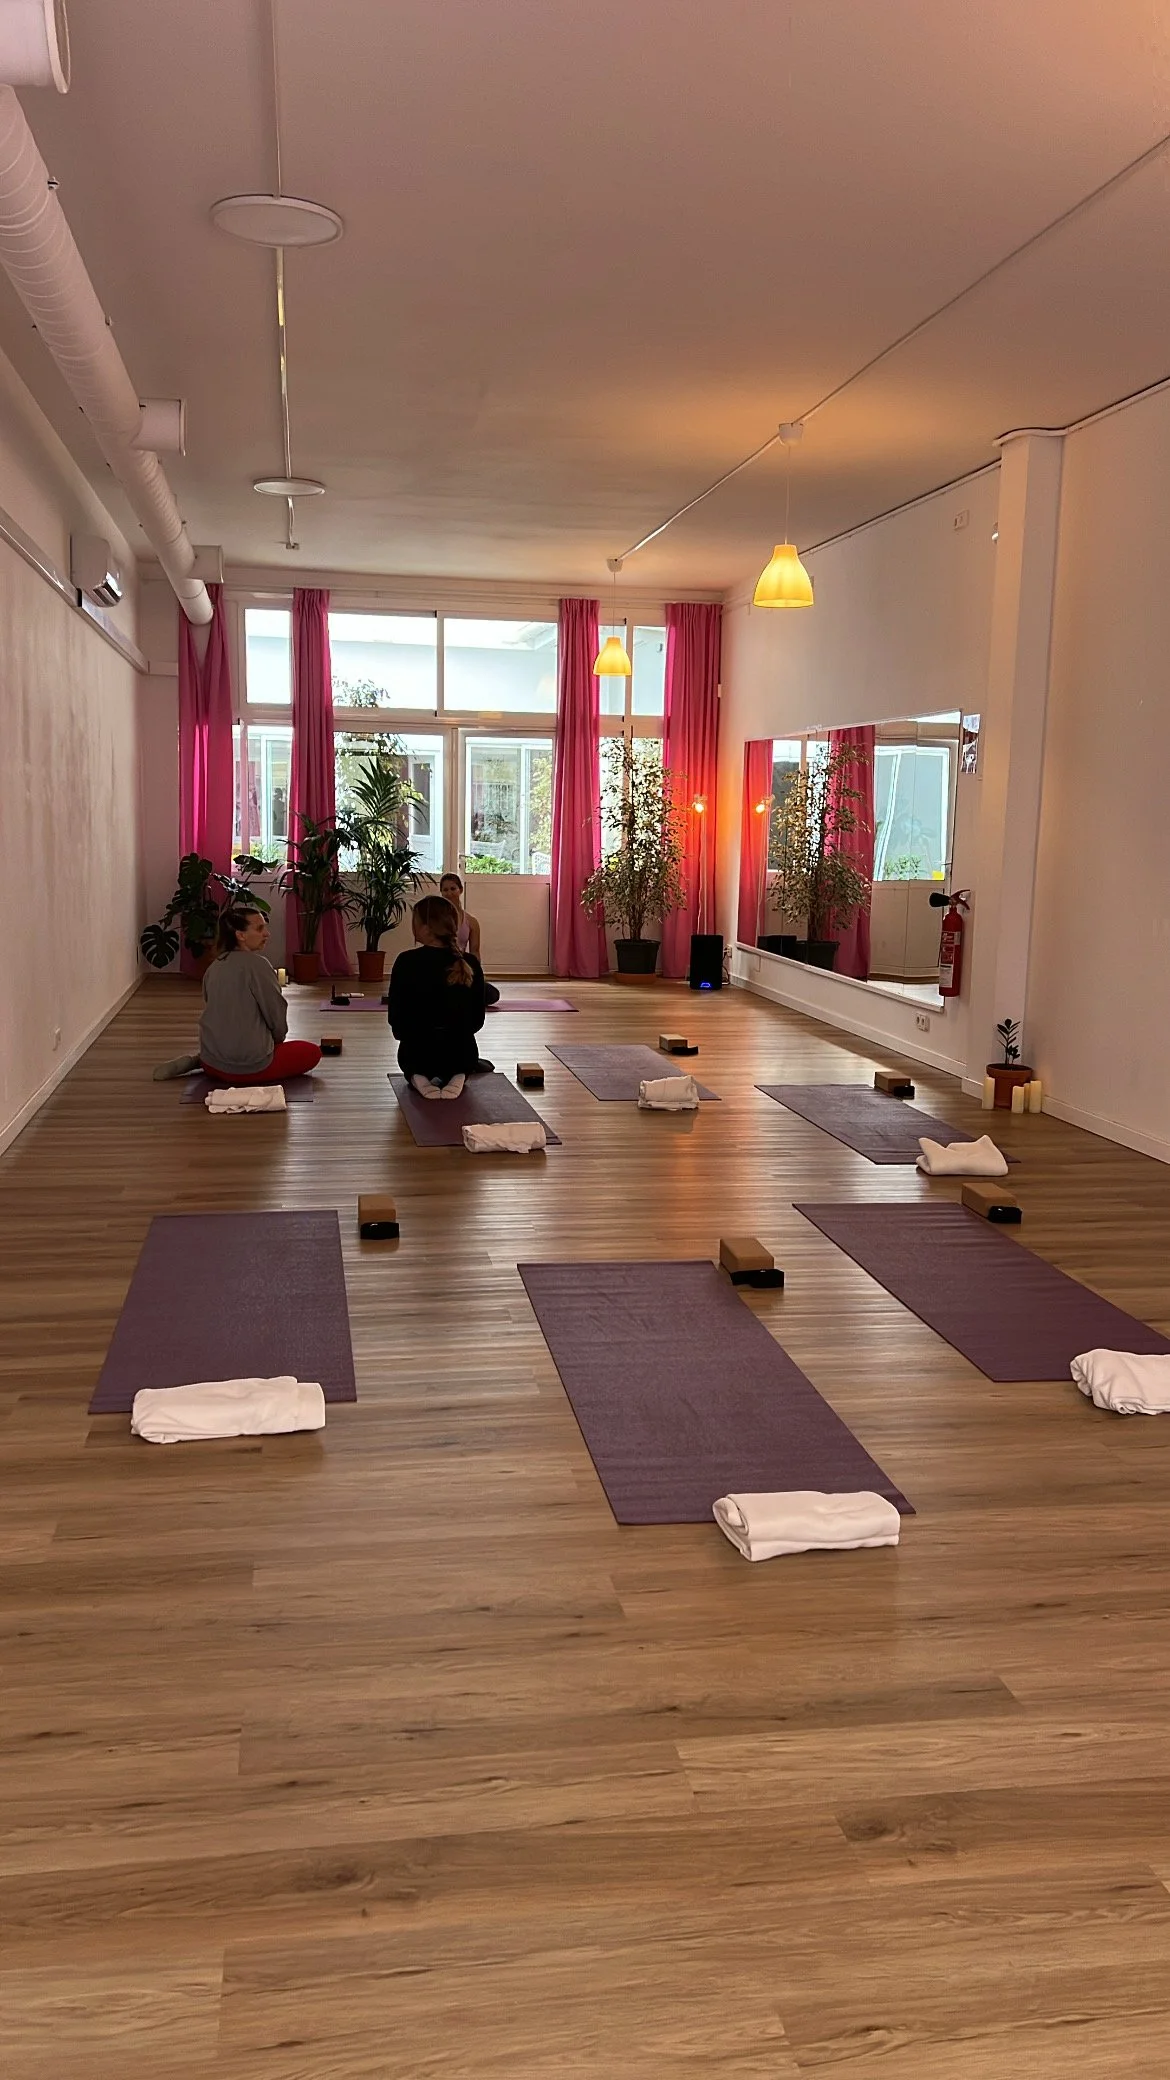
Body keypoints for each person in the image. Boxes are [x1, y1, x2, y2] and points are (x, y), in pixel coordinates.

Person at [197, 905, 321, 1083]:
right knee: (312, 1052)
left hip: (212, 1063)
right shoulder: (259, 965)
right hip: (251, 1068)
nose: (267, 934)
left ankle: (196, 1061)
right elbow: (275, 1012)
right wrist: (278, 1041)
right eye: (260, 928)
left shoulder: (214, 966)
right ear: (240, 935)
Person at [388, 894, 492, 1098]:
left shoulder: (406, 961)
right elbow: (477, 1021)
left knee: (413, 1058)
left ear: (426, 928)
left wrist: (410, 1035)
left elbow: (396, 1018)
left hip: (417, 1054)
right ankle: (458, 1074)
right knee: (461, 1052)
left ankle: (419, 1076)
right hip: (461, 1053)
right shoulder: (469, 962)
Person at [440, 870, 500, 1006]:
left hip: (462, 969)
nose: (449, 893)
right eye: (445, 890)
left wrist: (477, 976)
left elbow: (475, 952)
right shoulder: (437, 920)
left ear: (460, 890)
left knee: (492, 994)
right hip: (442, 968)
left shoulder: (471, 922)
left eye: (453, 889)